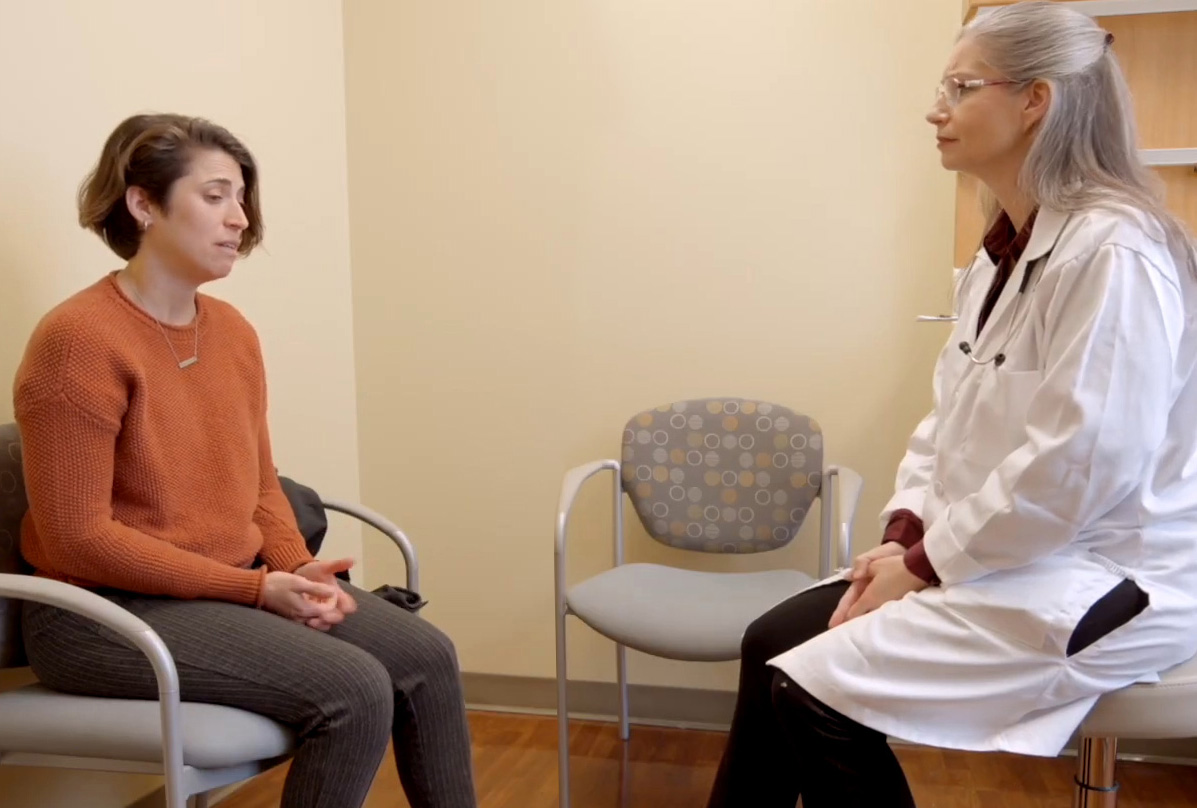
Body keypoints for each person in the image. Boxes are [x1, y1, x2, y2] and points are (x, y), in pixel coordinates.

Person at [707, 2, 1197, 806]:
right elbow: (948, 424)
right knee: (772, 643)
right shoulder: (1002, 250)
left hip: (1108, 574)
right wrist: (905, 536)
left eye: (960, 86)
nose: (934, 108)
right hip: (1008, 552)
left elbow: (1079, 465)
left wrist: (926, 566)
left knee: (810, 691)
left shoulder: (1113, 252)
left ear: (1034, 100)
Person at [15, 113, 478, 808]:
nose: (239, 219)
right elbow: (78, 538)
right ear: (142, 203)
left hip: (220, 588)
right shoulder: (78, 341)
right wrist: (258, 591)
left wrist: (295, 569)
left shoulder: (231, 331)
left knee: (427, 655)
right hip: (100, 614)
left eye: (241, 198)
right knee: (353, 689)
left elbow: (259, 482)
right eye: (215, 196)